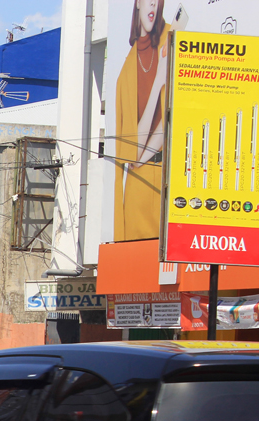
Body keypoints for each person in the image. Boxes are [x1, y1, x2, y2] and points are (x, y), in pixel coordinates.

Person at [114, 0, 170, 242]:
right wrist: (158, 81)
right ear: (137, 4)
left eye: (157, 2)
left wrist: (141, 157)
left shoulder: (173, 41)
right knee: (136, 260)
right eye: (147, 1)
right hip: (138, 183)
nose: (152, 7)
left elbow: (171, 120)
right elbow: (132, 149)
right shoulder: (126, 69)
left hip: (169, 179)